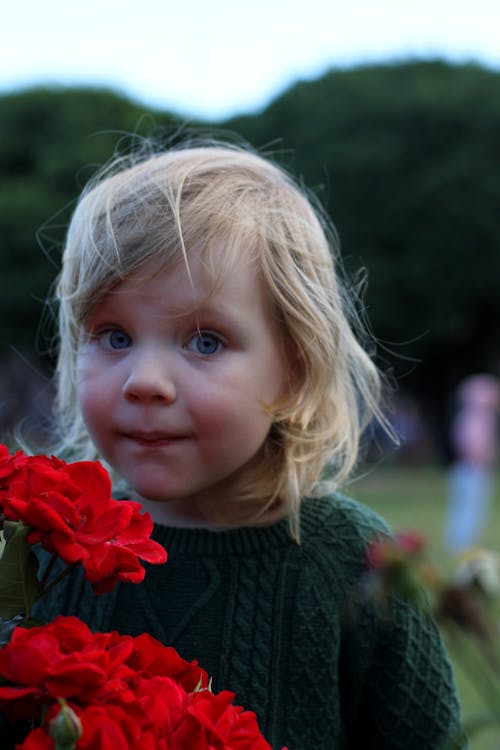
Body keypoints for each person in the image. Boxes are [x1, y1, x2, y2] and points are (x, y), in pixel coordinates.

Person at [34, 140, 466, 749]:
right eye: (112, 335)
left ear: (293, 371)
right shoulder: (41, 555)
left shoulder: (352, 562)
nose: (144, 382)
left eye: (204, 341)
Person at [444, 374, 500, 552]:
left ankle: (464, 544)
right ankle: (462, 545)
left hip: (471, 469)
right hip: (473, 469)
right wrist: (484, 459)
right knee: (469, 508)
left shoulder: (471, 416)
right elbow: (472, 446)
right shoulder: (475, 418)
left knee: (471, 509)